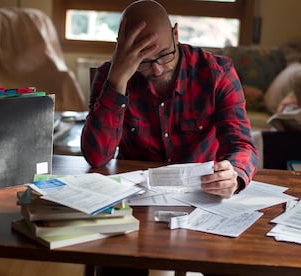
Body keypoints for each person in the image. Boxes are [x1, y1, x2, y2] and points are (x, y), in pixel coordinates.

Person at [81, 0, 258, 274]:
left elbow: (241, 144)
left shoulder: (217, 73)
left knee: (232, 262)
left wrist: (234, 174)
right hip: (136, 202)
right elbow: (97, 156)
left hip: (201, 198)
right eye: (144, 60)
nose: (157, 70)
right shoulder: (109, 76)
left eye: (164, 55)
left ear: (176, 34)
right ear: (122, 47)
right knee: (113, 264)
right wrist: (118, 79)